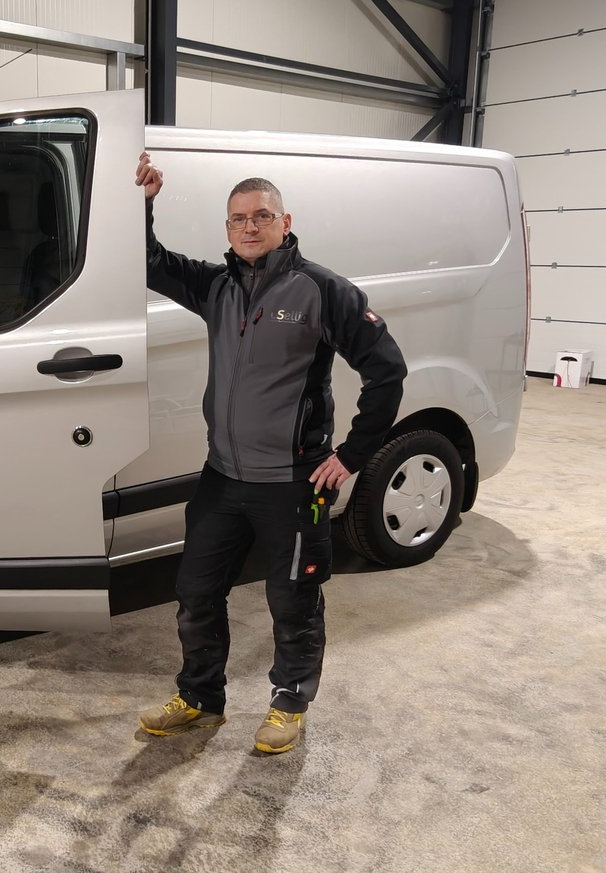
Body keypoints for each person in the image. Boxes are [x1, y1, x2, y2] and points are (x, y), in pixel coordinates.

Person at [134, 153, 405, 754]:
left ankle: (289, 701)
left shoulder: (323, 290)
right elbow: (147, 262)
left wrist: (353, 455)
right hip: (222, 477)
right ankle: (201, 699)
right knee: (196, 591)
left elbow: (387, 371)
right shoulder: (215, 286)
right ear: (227, 229)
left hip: (293, 482)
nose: (249, 227)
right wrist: (144, 201)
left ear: (286, 222)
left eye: (261, 216)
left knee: (293, 597)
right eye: (237, 219)